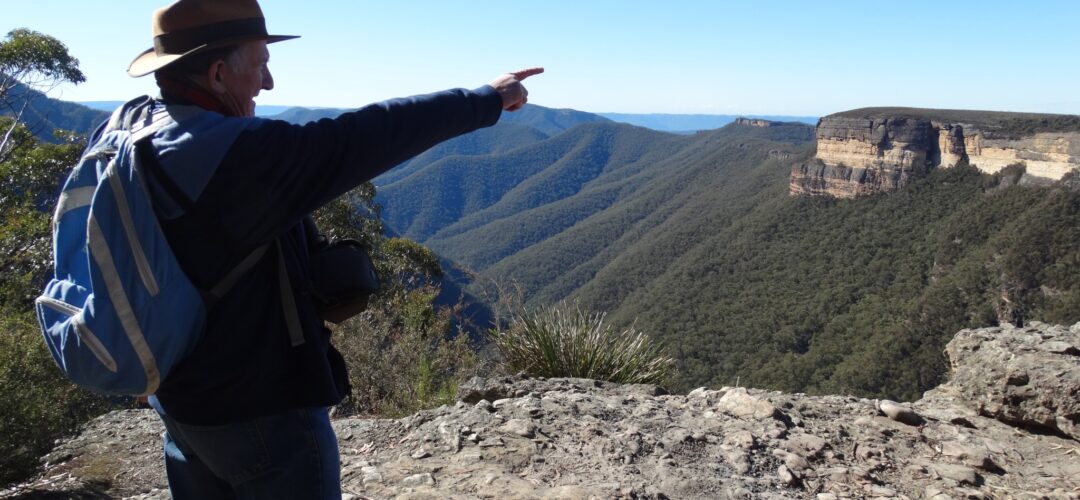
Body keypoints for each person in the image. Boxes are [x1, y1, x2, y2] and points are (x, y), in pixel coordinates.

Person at [112, 0, 541, 498]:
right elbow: (368, 135)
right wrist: (486, 98)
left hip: (180, 404)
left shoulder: (127, 129)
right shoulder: (238, 157)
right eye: (261, 64)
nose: (268, 83)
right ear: (217, 73)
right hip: (261, 410)